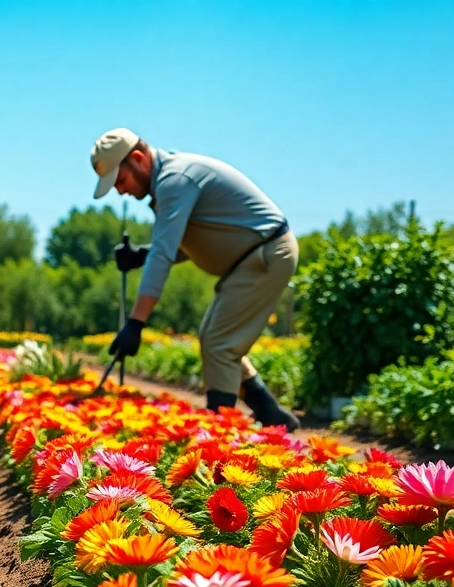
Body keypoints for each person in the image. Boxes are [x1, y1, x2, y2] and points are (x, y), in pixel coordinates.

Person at [92, 127, 300, 430]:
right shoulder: (170, 181)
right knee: (213, 338)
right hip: (249, 258)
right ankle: (269, 412)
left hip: (266, 252)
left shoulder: (176, 180)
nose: (120, 190)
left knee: (220, 343)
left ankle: (218, 436)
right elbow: (195, 238)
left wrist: (135, 323)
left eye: (120, 181)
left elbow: (163, 256)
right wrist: (142, 255)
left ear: (137, 158)